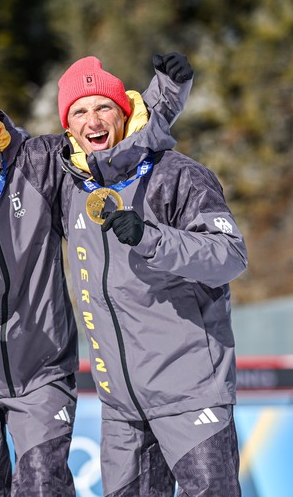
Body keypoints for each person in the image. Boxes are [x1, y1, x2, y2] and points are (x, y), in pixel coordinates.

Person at [0, 55, 191, 496]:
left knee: (44, 485)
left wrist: (166, 95)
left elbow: (105, 144)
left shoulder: (35, 164)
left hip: (41, 372)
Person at [57, 54, 246, 496]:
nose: (93, 120)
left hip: (190, 394)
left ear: (125, 113)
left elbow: (230, 255)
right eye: (79, 111)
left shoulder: (178, 176)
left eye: (103, 107)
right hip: (121, 408)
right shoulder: (70, 185)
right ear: (69, 126)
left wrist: (152, 238)